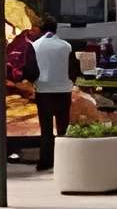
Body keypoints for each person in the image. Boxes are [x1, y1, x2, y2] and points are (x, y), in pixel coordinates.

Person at [24, 14, 80, 171]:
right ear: (56, 29)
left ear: (41, 30)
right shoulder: (66, 46)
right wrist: (70, 82)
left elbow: (30, 69)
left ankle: (45, 161)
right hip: (63, 90)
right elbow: (73, 69)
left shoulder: (35, 46)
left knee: (46, 129)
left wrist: (34, 82)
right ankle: (66, 160)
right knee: (63, 127)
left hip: (44, 91)